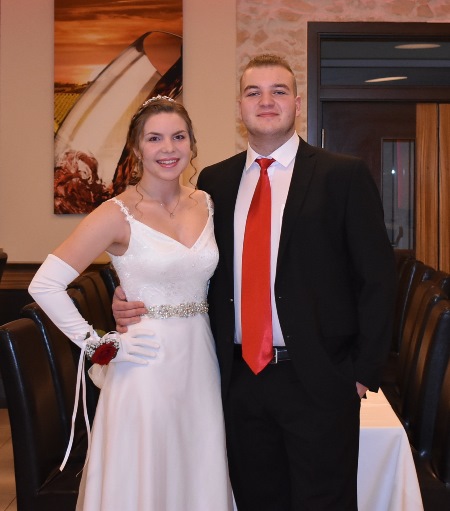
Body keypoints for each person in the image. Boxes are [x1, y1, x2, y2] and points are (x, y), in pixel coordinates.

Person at [112, 55, 397, 510]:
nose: (266, 101)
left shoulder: (342, 175)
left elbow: (378, 280)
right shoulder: (214, 183)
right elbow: (193, 266)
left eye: (278, 91)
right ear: (239, 108)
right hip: (238, 380)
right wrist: (131, 294)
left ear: (297, 104)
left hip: (320, 380)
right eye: (253, 92)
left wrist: (362, 374)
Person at [29, 96, 233, 511]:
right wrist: (99, 344)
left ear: (192, 143)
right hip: (144, 362)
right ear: (137, 148)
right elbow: (45, 284)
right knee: (146, 473)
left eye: (178, 137)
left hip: (201, 359)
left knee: (196, 466)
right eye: (154, 138)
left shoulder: (207, 203)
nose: (168, 148)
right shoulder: (116, 213)